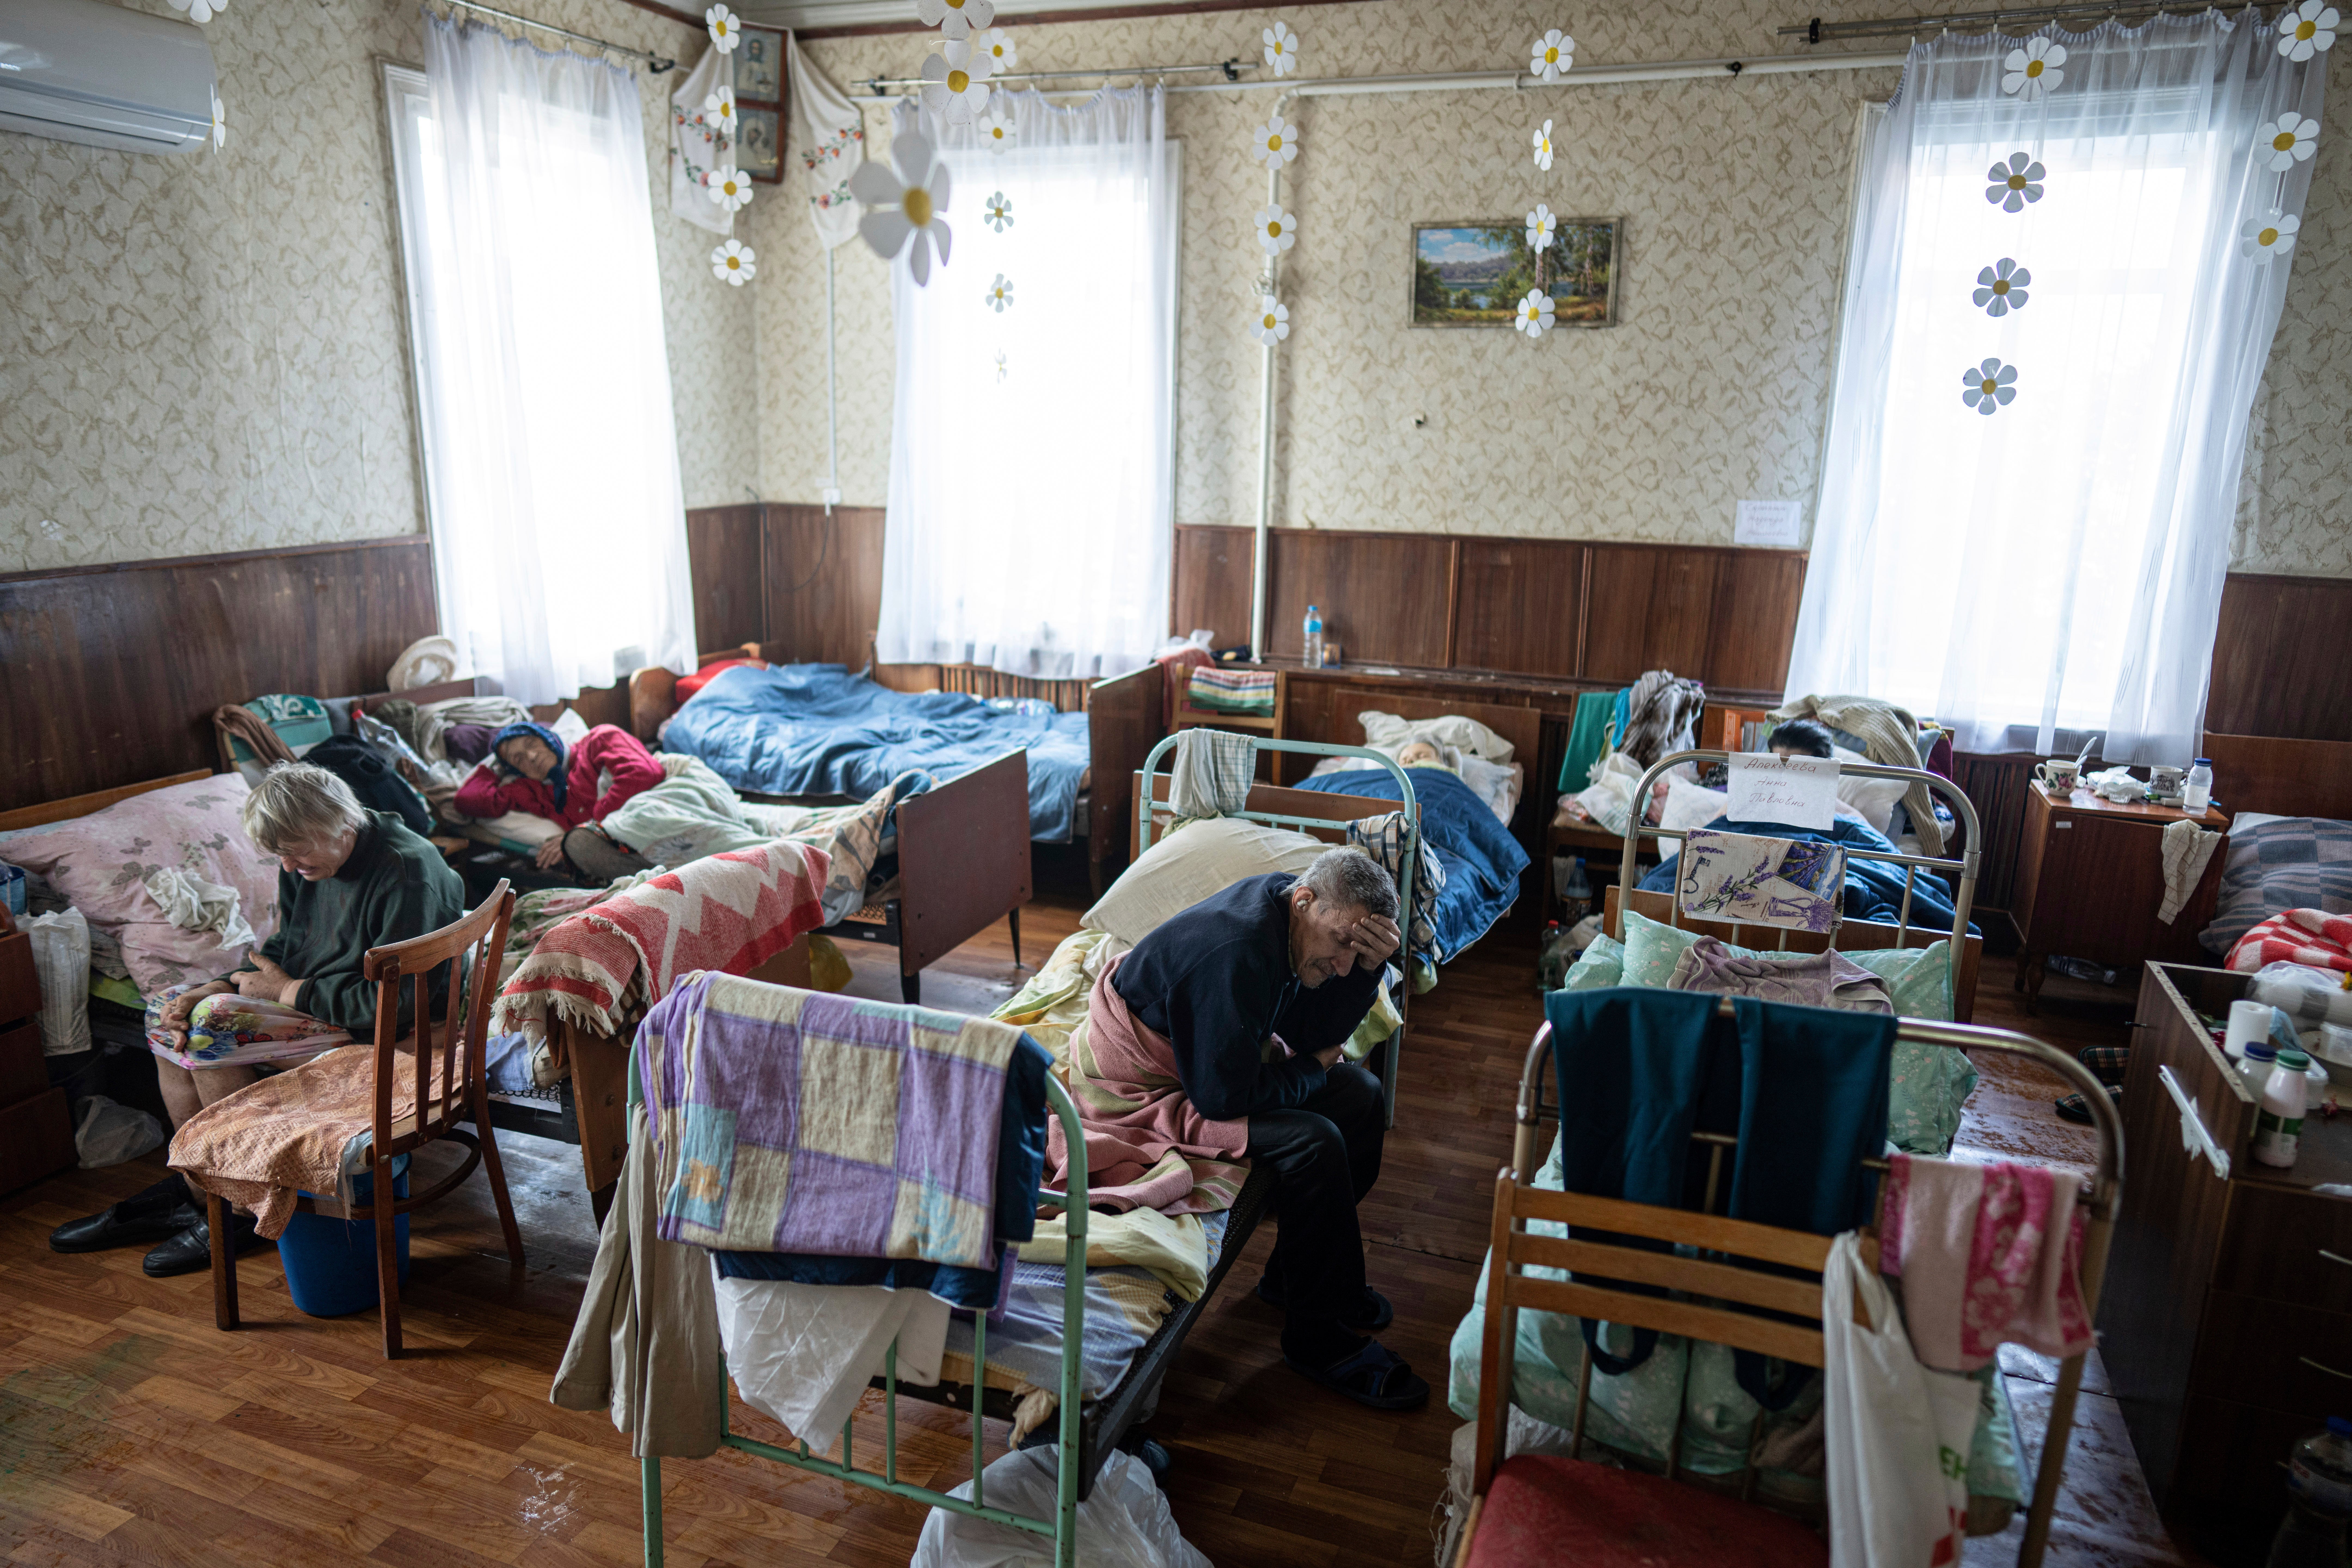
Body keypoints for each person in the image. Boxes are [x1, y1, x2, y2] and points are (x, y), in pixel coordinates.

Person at [48, 763, 467, 1276]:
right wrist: (217, 985)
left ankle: (244, 1207)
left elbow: (395, 1004)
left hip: (389, 1027)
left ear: (340, 823)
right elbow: (289, 946)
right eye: (279, 854)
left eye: (295, 850)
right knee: (169, 1012)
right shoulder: (312, 862)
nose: (288, 866)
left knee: (213, 1031)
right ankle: (201, 1191)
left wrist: (286, 991)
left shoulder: (406, 872)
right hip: (327, 1002)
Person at [1105, 848, 1426, 1410]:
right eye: (1343, 944)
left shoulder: (1291, 915)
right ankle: (1315, 1340)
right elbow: (1223, 1098)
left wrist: (1367, 973)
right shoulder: (1238, 950)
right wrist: (1311, 1072)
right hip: (1146, 1085)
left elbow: (1310, 1034)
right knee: (1314, 1144)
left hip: (1210, 1066)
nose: (1344, 965)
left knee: (1361, 1098)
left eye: (1358, 951)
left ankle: (1293, 1279)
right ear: (1305, 901)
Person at [452, 721, 664, 883]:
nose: (532, 757)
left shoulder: (598, 740)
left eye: (532, 744)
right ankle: (660, 880)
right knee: (577, 847)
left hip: (652, 822)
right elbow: (467, 801)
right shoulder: (533, 791)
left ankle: (665, 876)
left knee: (576, 842)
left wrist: (588, 828)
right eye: (519, 759)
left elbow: (644, 773)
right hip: (624, 850)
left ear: (548, 738)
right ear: (516, 771)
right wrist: (495, 769)